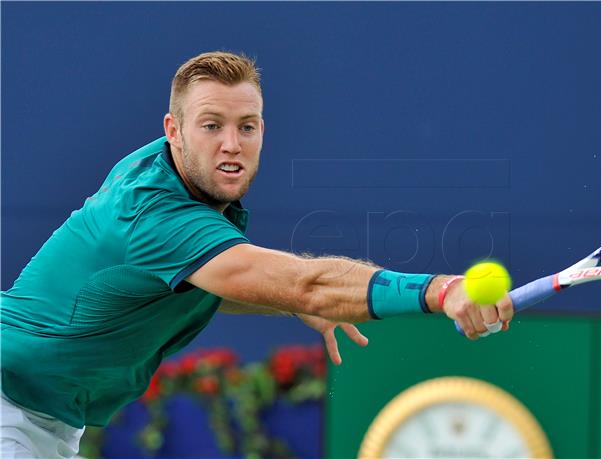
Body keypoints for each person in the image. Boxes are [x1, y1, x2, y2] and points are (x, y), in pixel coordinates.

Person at [0, 51, 514, 458]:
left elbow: (208, 284)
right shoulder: (153, 214)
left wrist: (285, 301)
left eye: (246, 126)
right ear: (172, 131)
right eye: (211, 125)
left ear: (263, 131)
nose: (231, 144)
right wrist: (440, 290)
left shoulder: (177, 186)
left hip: (45, 419)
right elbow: (303, 282)